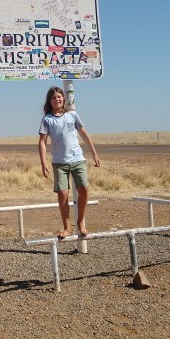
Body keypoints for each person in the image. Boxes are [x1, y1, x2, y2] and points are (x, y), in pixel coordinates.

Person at [38, 86, 101, 239]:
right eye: (53, 98)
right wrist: (43, 163)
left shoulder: (72, 115)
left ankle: (80, 223)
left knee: (84, 188)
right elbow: (42, 142)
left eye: (59, 97)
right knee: (63, 193)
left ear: (63, 99)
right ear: (50, 101)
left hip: (77, 159)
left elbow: (84, 134)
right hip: (59, 162)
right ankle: (67, 227)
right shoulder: (47, 119)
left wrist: (94, 154)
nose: (57, 100)